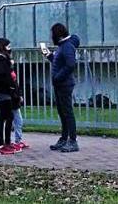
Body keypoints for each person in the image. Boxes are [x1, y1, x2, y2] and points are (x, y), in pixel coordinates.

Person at [43, 22, 80, 153]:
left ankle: (73, 141)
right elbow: (58, 62)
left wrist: (58, 77)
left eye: (52, 34)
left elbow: (70, 65)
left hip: (64, 84)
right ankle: (64, 138)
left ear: (57, 35)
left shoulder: (67, 46)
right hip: (60, 84)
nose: (51, 36)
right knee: (62, 112)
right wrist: (48, 55)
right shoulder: (62, 46)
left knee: (67, 112)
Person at [0, 38, 20, 154]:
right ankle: (4, 144)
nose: (10, 48)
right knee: (7, 116)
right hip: (4, 91)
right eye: (8, 46)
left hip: (1, 90)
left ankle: (4, 143)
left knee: (4, 117)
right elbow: (4, 76)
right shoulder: (1, 60)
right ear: (3, 47)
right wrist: (11, 88)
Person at [10, 67, 28, 150]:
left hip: (15, 100)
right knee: (17, 121)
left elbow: (16, 85)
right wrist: (17, 97)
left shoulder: (10, 69)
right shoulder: (5, 71)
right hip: (12, 101)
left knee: (18, 121)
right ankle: (16, 141)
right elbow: (11, 88)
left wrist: (19, 95)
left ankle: (18, 140)